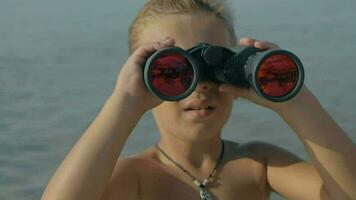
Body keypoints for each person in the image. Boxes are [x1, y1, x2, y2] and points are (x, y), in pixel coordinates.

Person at [41, 0, 356, 199]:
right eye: (172, 70)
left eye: (217, 69)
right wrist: (123, 104)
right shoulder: (136, 176)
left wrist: (293, 97)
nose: (199, 86)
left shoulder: (258, 164)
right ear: (141, 78)